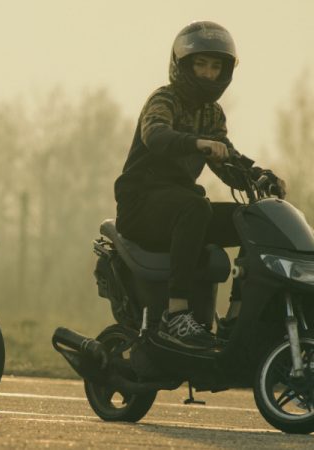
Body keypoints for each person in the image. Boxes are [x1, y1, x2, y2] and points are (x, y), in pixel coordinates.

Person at [114, 21, 285, 349]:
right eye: (200, 64)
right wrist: (197, 144)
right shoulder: (164, 99)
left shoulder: (212, 113)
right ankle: (176, 314)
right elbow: (155, 135)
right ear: (183, 66)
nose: (208, 74)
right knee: (195, 206)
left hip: (180, 209)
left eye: (215, 66)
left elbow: (228, 161)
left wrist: (261, 177)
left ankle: (237, 316)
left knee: (254, 220)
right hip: (141, 206)